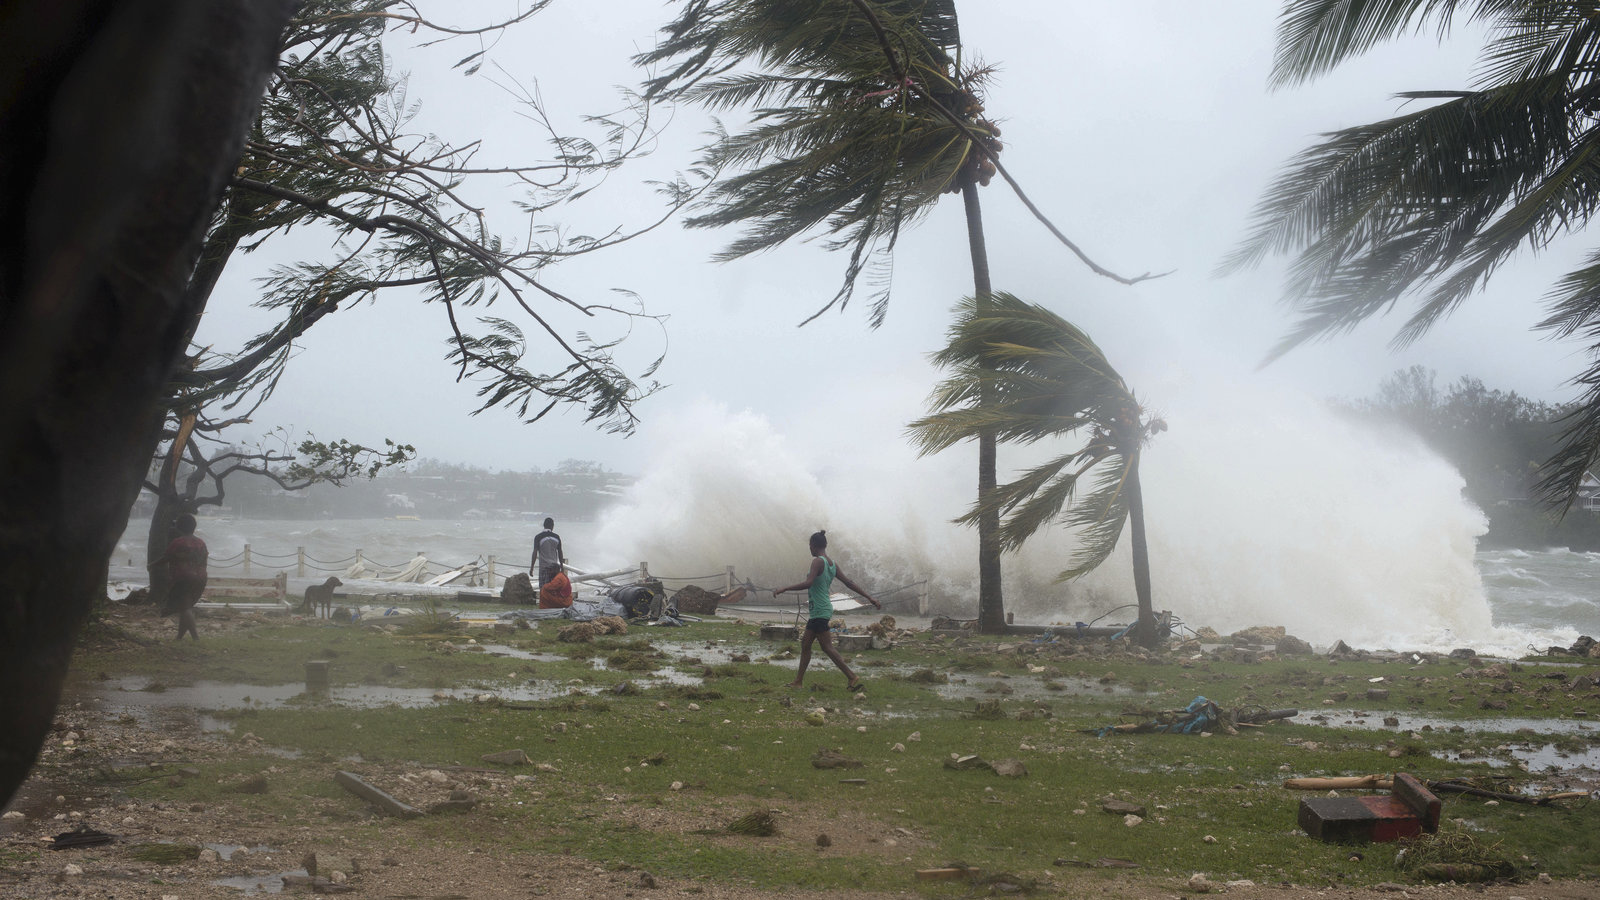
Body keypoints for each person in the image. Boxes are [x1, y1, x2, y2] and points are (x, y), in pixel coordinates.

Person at [773, 530, 879, 692]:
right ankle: (798, 681)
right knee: (806, 644)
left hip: (820, 609)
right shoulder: (832, 563)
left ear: (814, 546)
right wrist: (869, 597)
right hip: (821, 609)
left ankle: (851, 676)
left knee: (827, 646)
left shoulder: (818, 562)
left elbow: (809, 583)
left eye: (810, 545)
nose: (809, 549)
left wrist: (785, 588)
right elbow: (849, 583)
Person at [152, 513, 208, 641]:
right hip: (200, 578)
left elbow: (166, 558)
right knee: (185, 607)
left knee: (185, 608)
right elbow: (204, 559)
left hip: (183, 579)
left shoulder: (178, 542)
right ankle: (179, 638)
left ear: (178, 527)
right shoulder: (201, 542)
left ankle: (196, 638)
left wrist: (151, 565)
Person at [531, 517, 565, 591]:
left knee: (543, 589)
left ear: (544, 525)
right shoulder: (556, 537)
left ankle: (545, 602)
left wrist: (532, 568)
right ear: (552, 526)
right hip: (555, 568)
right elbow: (560, 552)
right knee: (554, 589)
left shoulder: (538, 537)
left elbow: (535, 553)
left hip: (544, 568)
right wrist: (562, 567)